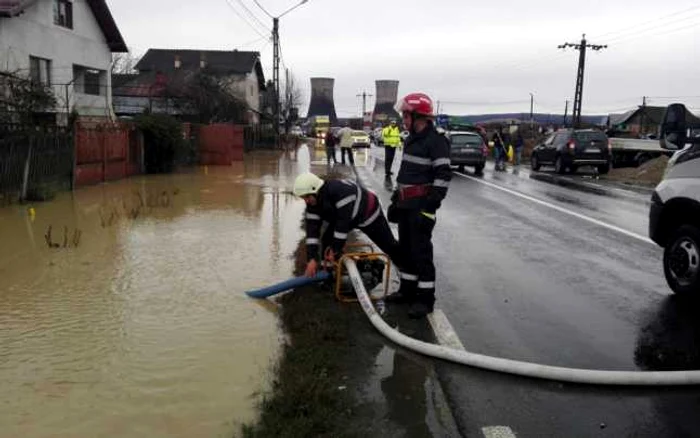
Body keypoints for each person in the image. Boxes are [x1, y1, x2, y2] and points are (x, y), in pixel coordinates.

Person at [385, 92, 451, 319]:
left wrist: (429, 208)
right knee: (405, 251)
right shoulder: (411, 139)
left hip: (421, 206)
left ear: (417, 116)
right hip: (405, 204)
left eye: (405, 115)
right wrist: (396, 200)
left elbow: (443, 176)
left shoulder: (436, 140)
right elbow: (405, 174)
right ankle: (407, 290)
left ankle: (425, 300)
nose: (403, 120)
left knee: (421, 253)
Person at [293, 172, 401, 278]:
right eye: (303, 198)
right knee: (327, 240)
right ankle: (328, 274)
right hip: (348, 217)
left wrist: (335, 250)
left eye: (307, 197)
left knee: (389, 246)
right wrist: (312, 259)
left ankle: (408, 272)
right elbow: (312, 234)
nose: (306, 201)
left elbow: (341, 228)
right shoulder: (313, 204)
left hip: (369, 213)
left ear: (315, 191)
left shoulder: (339, 193)